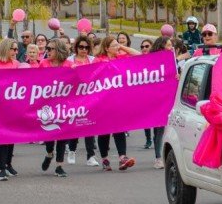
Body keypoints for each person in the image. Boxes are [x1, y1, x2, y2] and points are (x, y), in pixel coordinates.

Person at [95, 36, 138, 171]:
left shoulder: (121, 58)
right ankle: (105, 159)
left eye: (117, 45)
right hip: (103, 101)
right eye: (114, 45)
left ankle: (122, 158)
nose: (117, 47)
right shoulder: (99, 60)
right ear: (107, 48)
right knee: (104, 131)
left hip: (118, 100)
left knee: (119, 127)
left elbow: (138, 55)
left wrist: (122, 47)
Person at [39, 39, 72, 177]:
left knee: (62, 134)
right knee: (49, 133)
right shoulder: (44, 63)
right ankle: (49, 153)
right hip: (47, 103)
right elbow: (37, 82)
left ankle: (59, 166)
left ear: (58, 50)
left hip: (64, 104)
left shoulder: (69, 64)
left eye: (51, 48)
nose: (47, 50)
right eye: (47, 48)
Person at [66, 35, 98, 167]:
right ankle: (72, 151)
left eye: (86, 47)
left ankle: (91, 156)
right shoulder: (69, 60)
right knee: (76, 125)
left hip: (89, 98)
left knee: (89, 126)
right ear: (76, 48)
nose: (83, 49)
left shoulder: (93, 60)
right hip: (74, 98)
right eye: (81, 47)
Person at [0, 38, 20, 180]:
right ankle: (1, 168)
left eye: (16, 49)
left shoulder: (16, 64)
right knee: (3, 136)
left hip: (13, 105)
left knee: (12, 136)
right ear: (5, 49)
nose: (16, 52)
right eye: (13, 49)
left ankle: (9, 164)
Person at [147, 36, 174, 169]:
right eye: (168, 45)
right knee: (159, 129)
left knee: (167, 129)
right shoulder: (152, 60)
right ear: (162, 46)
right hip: (156, 99)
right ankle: (158, 158)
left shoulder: (172, 59)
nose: (171, 48)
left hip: (168, 98)